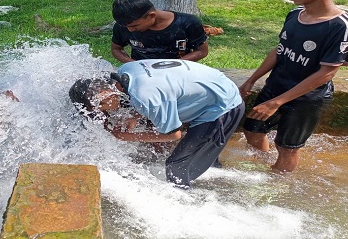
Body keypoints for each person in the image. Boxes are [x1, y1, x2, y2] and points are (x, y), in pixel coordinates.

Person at [239, 0, 348, 174]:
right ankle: (259, 170)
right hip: (275, 86)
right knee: (252, 131)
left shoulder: (343, 26)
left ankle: (279, 185)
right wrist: (252, 79)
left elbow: (327, 72)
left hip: (306, 99)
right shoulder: (295, 14)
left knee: (287, 148)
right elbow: (280, 49)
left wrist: (276, 103)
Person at [69, 59, 245, 187]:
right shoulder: (125, 71)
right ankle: (213, 169)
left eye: (101, 107)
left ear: (105, 94)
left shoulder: (144, 98)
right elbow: (160, 89)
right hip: (213, 84)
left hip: (222, 106)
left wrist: (127, 137)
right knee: (200, 153)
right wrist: (134, 116)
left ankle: (185, 206)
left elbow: (173, 135)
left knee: (176, 167)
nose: (105, 111)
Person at [111, 0, 209, 64]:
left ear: (151, 15)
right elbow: (116, 49)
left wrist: (173, 65)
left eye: (135, 26)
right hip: (142, 71)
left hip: (179, 70)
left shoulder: (187, 23)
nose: (130, 30)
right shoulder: (123, 26)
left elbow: (202, 51)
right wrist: (133, 64)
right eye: (127, 27)